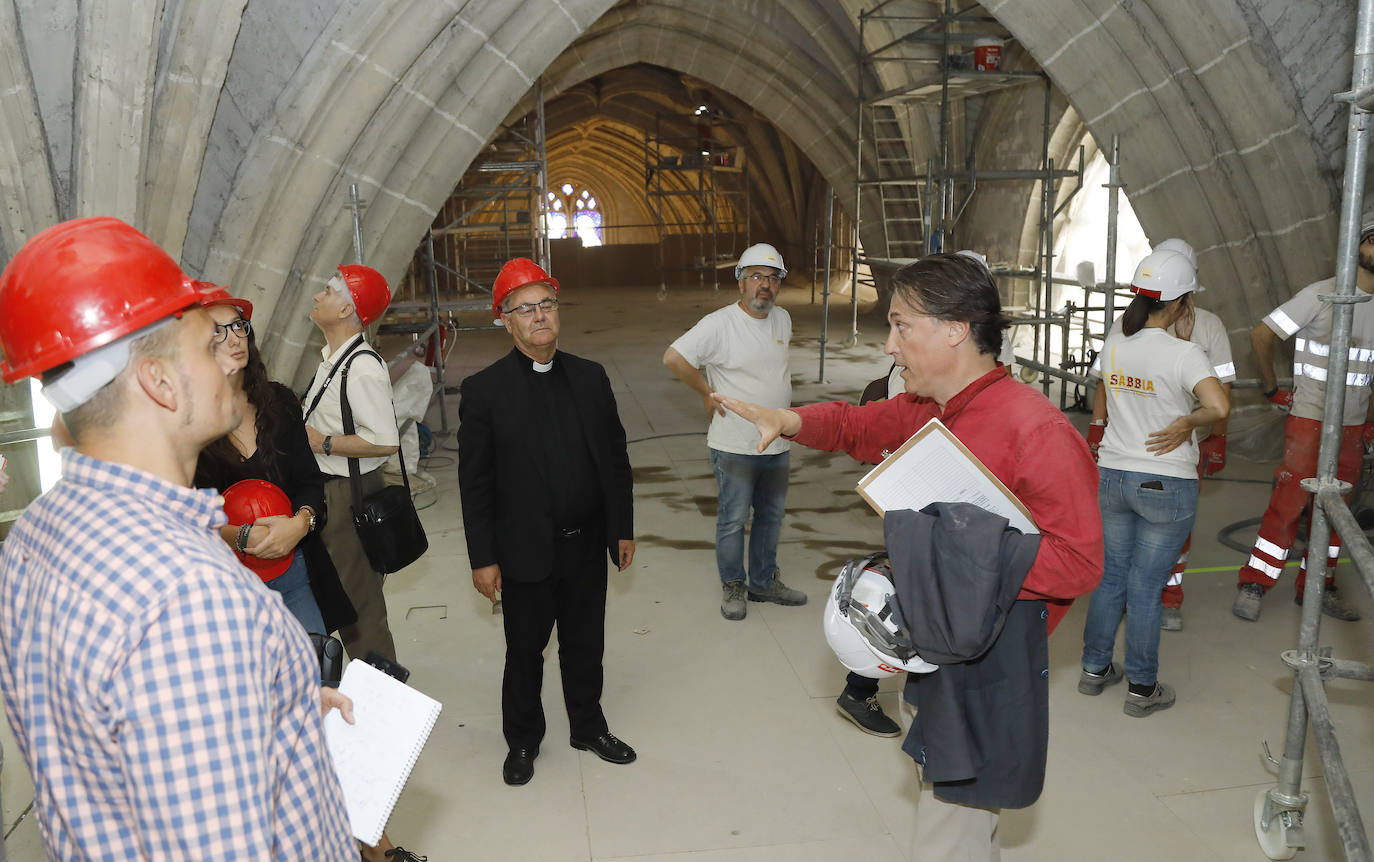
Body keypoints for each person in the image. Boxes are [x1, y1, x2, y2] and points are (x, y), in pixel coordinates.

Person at [716, 253, 1102, 861]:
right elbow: (858, 426)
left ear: (955, 329)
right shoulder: (933, 409)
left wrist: (961, 551)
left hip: (990, 658)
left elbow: (1079, 563)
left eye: (902, 326)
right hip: (943, 641)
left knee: (953, 820)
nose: (891, 345)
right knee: (965, 816)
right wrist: (788, 419)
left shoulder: (1038, 431)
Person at [0, 217, 354, 858]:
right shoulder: (190, 600)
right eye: (204, 342)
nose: (227, 359)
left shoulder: (33, 536)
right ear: (160, 381)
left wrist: (275, 710)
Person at [458, 257, 636, 787]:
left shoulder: (590, 377)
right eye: (526, 308)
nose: (539, 316)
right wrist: (483, 558)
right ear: (505, 320)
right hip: (524, 549)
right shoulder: (485, 392)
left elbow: (616, 458)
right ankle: (523, 739)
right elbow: (476, 485)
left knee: (586, 642)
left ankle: (588, 725)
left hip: (585, 545)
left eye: (547, 305)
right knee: (525, 651)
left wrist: (621, 527)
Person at [1079, 249, 1229, 717]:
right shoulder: (1186, 354)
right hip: (1166, 484)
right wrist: (1187, 424)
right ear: (1182, 304)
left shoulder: (1115, 345)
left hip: (1114, 477)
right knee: (1146, 587)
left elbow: (1104, 392)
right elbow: (1219, 408)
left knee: (1112, 578)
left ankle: (1093, 669)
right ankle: (1142, 689)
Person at [1233, 221, 1374, 622]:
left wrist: (1369, 424)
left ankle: (1318, 586)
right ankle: (1255, 582)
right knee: (1288, 504)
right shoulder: (1320, 295)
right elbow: (1262, 334)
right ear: (1356, 246)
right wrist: (1268, 386)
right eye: (1372, 239)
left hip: (1351, 425)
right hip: (1310, 419)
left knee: (1337, 513)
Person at [193, 289, 354, 638]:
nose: (234, 338)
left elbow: (310, 482)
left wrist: (300, 523)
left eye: (238, 327)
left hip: (295, 574)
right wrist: (240, 536)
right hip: (228, 589)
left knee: (317, 678)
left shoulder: (277, 401)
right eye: (217, 330)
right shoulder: (184, 421)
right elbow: (182, 516)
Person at [664, 242, 807, 622]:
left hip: (777, 442)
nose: (766, 285)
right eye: (757, 276)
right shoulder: (719, 325)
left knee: (771, 516)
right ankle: (733, 584)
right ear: (740, 282)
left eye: (773, 278)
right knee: (732, 519)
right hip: (735, 446)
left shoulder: (783, 320)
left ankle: (763, 581)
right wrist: (706, 393)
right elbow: (674, 357)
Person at [302, 265, 402, 661]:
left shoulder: (360, 366)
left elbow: (384, 441)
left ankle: (384, 704)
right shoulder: (333, 360)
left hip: (348, 495)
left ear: (347, 309)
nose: (317, 296)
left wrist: (320, 441)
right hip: (332, 493)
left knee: (359, 610)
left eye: (327, 291)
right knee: (345, 602)